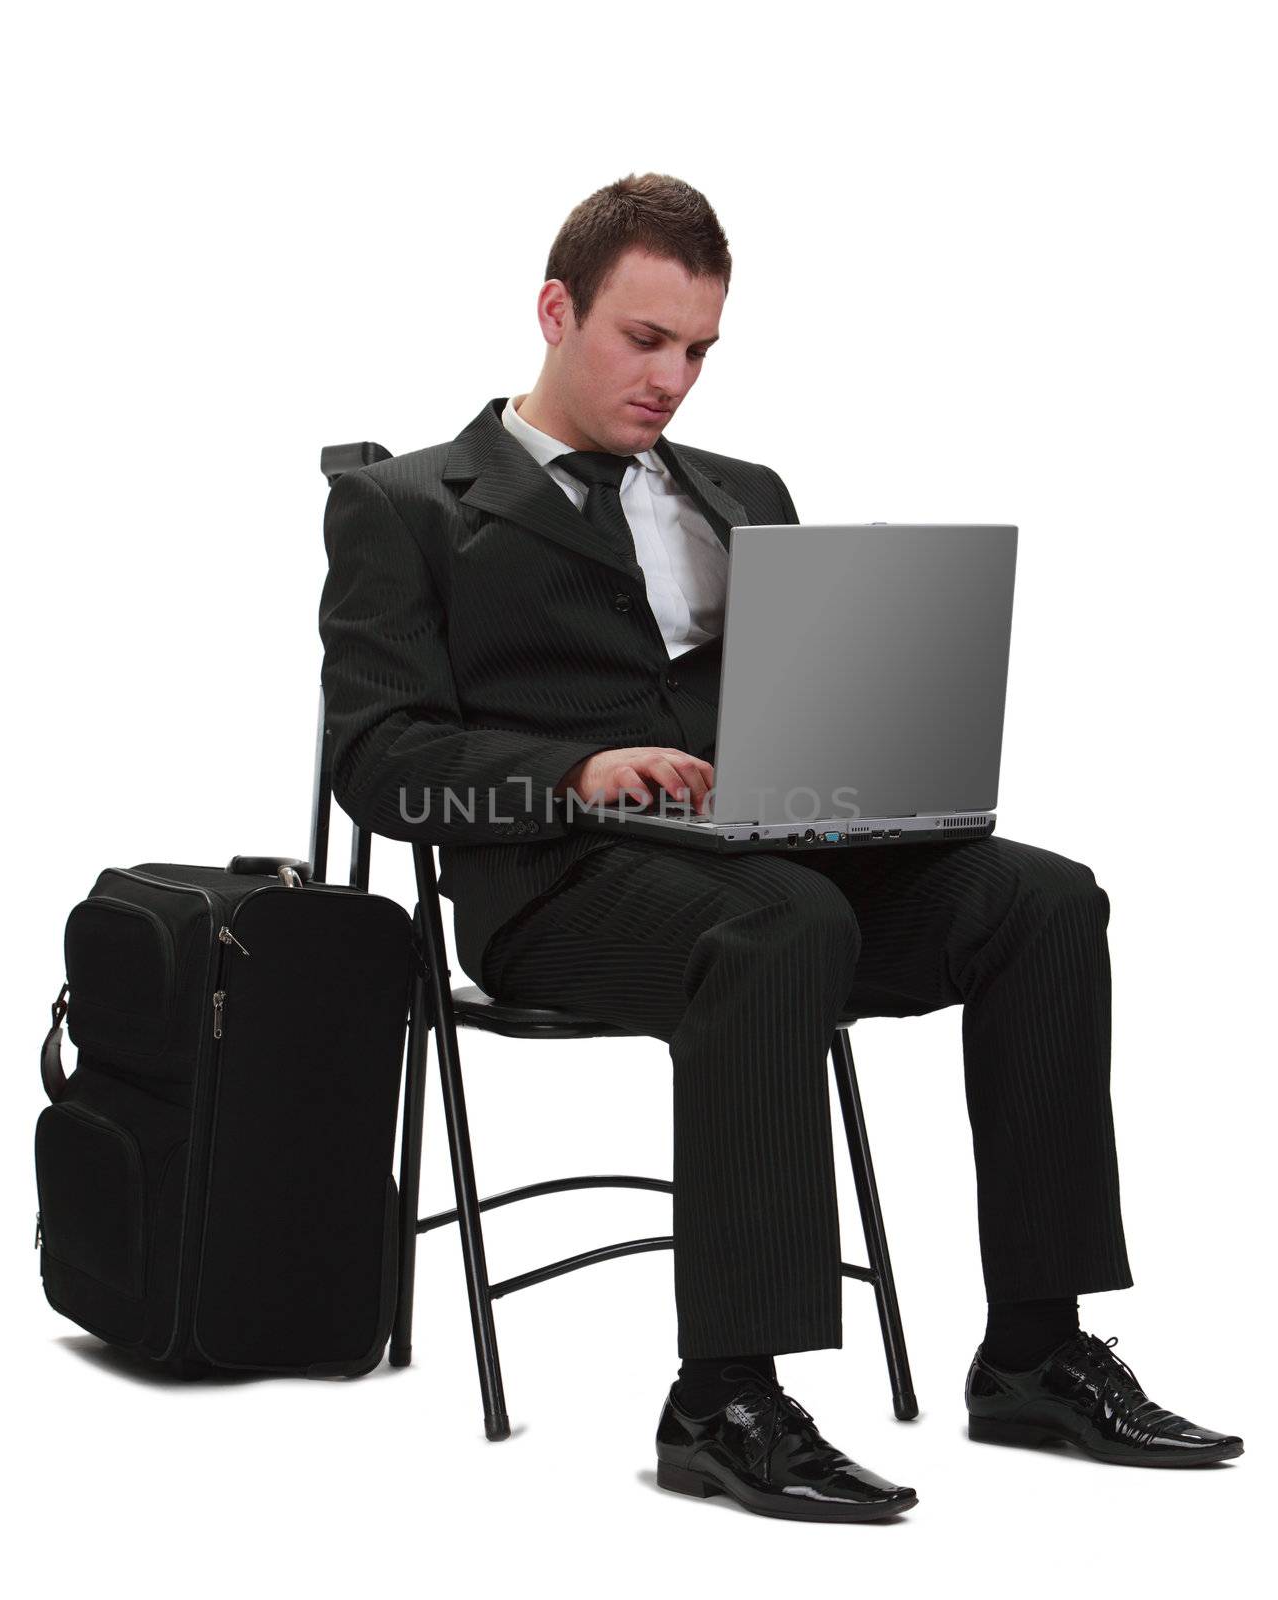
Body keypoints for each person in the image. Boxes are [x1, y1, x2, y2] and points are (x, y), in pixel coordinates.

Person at [317, 172, 1243, 1522]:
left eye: (697, 351)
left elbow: (795, 713)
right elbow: (378, 763)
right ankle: (724, 1397)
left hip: (764, 856)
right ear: (554, 310)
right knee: (783, 926)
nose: (672, 379)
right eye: (644, 341)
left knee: (1043, 899)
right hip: (558, 884)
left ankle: (1035, 1351)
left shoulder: (740, 491)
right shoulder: (410, 506)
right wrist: (574, 772)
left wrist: (871, 769)